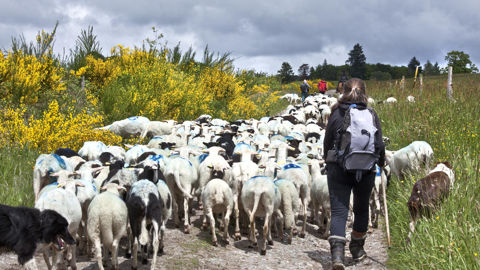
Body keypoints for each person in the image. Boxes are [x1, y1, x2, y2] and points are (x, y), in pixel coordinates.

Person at [323, 78, 385, 269]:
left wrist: (328, 159)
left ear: (343, 91)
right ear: (365, 93)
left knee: (340, 211)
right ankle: (357, 251)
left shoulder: (336, 113)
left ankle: (338, 256)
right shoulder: (371, 114)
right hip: (365, 169)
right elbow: (379, 144)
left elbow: (327, 142)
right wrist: (381, 162)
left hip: (339, 168)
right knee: (361, 209)